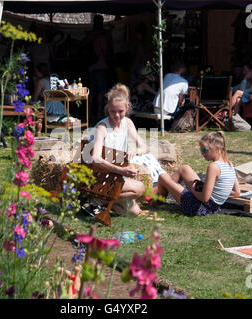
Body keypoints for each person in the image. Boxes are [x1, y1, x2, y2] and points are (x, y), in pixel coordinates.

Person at [88, 83, 165, 216]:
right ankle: (98, 197)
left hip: (114, 174)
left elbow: (144, 147)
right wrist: (121, 170)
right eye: (113, 111)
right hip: (100, 175)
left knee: (134, 212)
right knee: (139, 187)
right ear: (108, 109)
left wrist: (136, 150)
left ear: (127, 108)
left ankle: (105, 202)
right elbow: (95, 159)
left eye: (120, 111)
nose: (117, 115)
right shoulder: (102, 128)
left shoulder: (128, 123)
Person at [154, 131, 240, 216]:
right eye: (201, 150)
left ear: (217, 149)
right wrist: (216, 191)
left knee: (163, 176)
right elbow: (237, 193)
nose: (202, 153)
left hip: (199, 208)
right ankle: (155, 195)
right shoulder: (230, 164)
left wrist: (191, 189)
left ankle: (156, 200)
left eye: (205, 150)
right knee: (185, 168)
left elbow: (204, 198)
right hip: (213, 207)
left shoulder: (213, 167)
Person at [84, 14, 113, 123]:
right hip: (102, 66)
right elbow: (108, 52)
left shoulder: (90, 35)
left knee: (91, 92)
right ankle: (99, 113)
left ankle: (89, 113)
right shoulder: (104, 36)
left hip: (91, 67)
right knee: (101, 91)